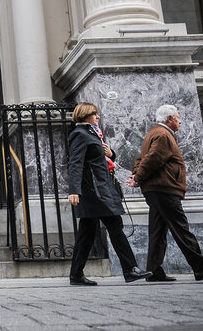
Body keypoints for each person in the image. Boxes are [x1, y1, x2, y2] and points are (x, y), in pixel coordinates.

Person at [128, 104, 203, 282]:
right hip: (164, 188)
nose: (180, 121)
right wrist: (138, 178)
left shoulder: (153, 133)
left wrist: (137, 175)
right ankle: (200, 267)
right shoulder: (164, 135)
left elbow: (140, 158)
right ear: (169, 119)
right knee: (181, 228)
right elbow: (152, 159)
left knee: (158, 231)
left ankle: (154, 271)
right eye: (178, 117)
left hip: (156, 189)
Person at [67, 103, 152, 286]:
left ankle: (76, 275)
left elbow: (98, 159)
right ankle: (130, 269)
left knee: (87, 234)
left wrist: (110, 153)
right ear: (85, 115)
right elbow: (75, 163)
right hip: (94, 192)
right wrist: (74, 190)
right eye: (94, 114)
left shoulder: (92, 134)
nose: (98, 117)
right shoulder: (80, 134)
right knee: (114, 225)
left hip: (100, 189)